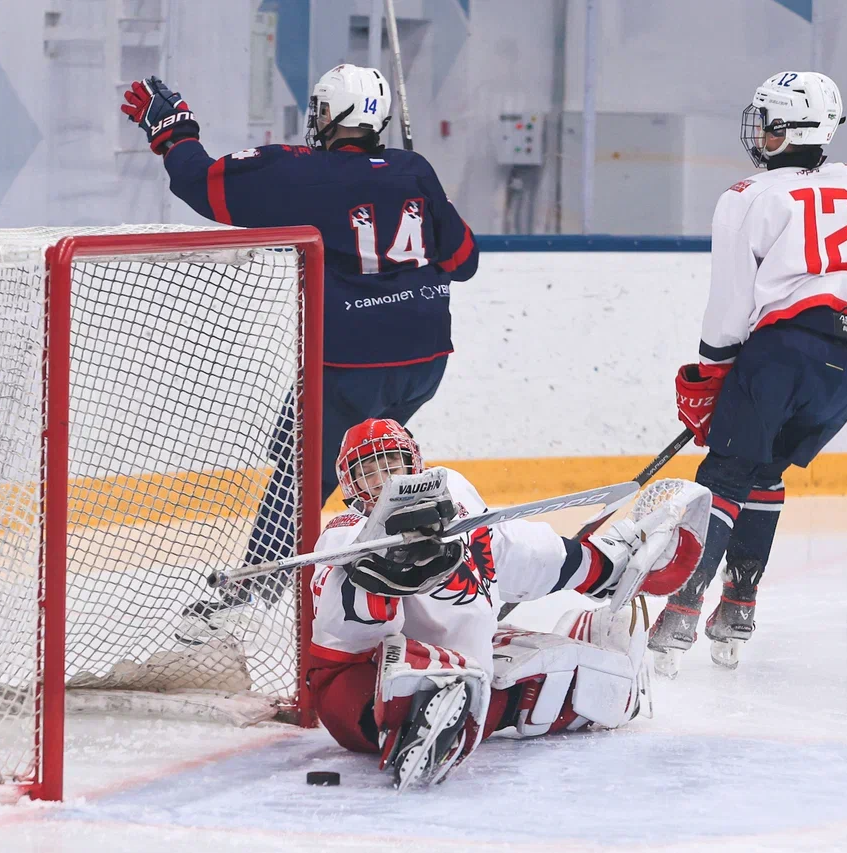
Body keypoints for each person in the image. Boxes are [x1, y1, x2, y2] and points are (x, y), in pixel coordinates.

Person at [121, 67, 479, 631]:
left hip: (351, 365)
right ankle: (405, 564)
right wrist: (416, 193)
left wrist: (173, 132)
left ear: (331, 115)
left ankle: (258, 599)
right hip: (424, 363)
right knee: (368, 465)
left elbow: (205, 186)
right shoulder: (415, 170)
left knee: (299, 473)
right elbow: (463, 263)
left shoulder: (303, 173)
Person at [649, 72, 847, 676]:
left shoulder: (748, 194)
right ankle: (738, 607)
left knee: (723, 473)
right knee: (766, 472)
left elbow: (730, 303)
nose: (761, 131)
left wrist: (710, 372)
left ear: (788, 129)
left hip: (780, 353)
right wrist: (841, 297)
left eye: (768, 121)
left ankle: (682, 611)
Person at [308, 418, 712, 788]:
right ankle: (434, 710)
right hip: (356, 688)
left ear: (414, 463)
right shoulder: (346, 535)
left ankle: (461, 706)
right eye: (368, 471)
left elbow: (516, 551)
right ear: (351, 486)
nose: (384, 478)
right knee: (426, 673)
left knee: (553, 674)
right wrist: (380, 574)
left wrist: (601, 568)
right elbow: (344, 627)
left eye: (392, 462)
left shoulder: (456, 502)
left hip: (462, 663)